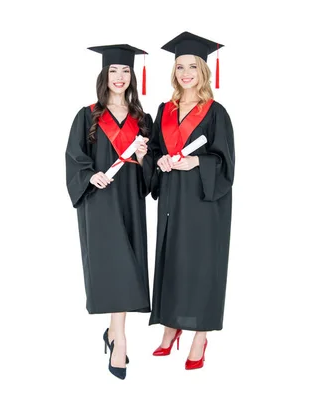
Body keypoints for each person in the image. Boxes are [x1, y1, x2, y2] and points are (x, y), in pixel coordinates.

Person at [143, 32, 235, 370]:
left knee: (201, 266)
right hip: (172, 199)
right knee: (174, 262)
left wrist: (196, 161)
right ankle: (170, 326)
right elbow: (154, 151)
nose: (185, 73)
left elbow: (226, 162)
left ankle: (200, 334)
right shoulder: (164, 110)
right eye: (180, 66)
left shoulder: (215, 112)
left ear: (204, 71)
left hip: (203, 200)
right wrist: (159, 161)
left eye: (192, 67)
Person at [65, 44, 153, 380]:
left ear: (133, 77)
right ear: (104, 75)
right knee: (115, 266)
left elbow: (150, 176)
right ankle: (119, 339)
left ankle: (115, 332)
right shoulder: (87, 115)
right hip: (100, 201)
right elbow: (75, 158)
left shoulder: (142, 120)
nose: (120, 77)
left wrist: (144, 155)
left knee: (129, 266)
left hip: (130, 198)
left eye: (126, 71)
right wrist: (90, 175)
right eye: (114, 71)